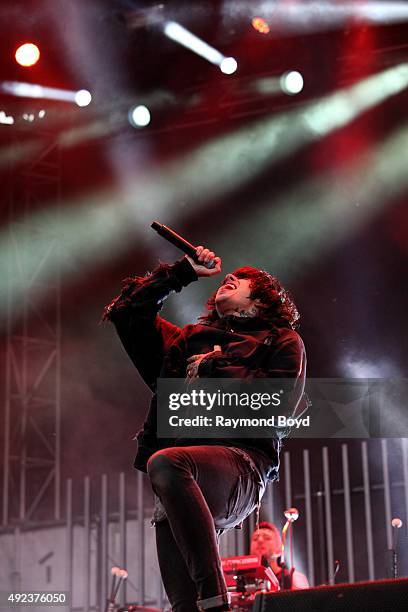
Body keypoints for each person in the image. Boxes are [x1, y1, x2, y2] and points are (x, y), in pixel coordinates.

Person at [104, 246, 307, 612]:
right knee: (184, 604)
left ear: (263, 299)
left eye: (244, 279)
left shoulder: (280, 340)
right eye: (232, 275)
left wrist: (213, 370)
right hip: (178, 474)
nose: (232, 276)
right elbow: (127, 313)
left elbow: (275, 404)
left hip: (242, 466)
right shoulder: (188, 342)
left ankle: (217, 602)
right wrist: (182, 271)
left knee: (166, 463)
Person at [250, 521, 310, 590]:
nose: (260, 540)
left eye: (267, 538)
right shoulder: (241, 578)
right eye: (255, 539)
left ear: (279, 549)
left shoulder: (291, 578)